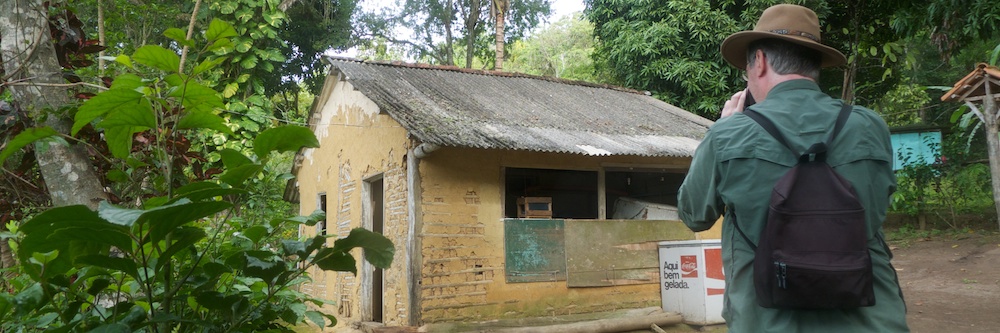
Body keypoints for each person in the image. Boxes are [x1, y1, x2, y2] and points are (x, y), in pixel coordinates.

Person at [676, 4, 910, 333]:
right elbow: (877, 206)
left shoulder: (728, 134)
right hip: (871, 321)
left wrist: (721, 130)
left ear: (759, 62)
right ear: (815, 66)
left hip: (765, 323)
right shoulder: (869, 126)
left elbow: (692, 213)